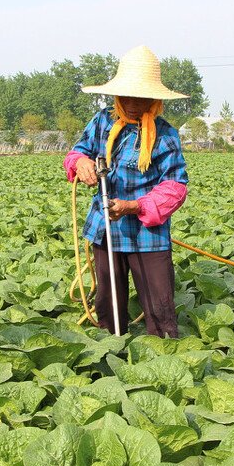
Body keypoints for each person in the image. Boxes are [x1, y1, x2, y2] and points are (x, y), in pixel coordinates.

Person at [64, 45, 189, 337]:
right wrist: (81, 163)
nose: (133, 102)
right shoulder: (101, 122)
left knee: (159, 307)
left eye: (141, 96)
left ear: (154, 99)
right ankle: (110, 355)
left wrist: (134, 206)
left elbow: (175, 185)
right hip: (105, 228)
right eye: (127, 95)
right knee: (108, 306)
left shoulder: (165, 134)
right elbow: (77, 153)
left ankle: (165, 354)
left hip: (148, 233)